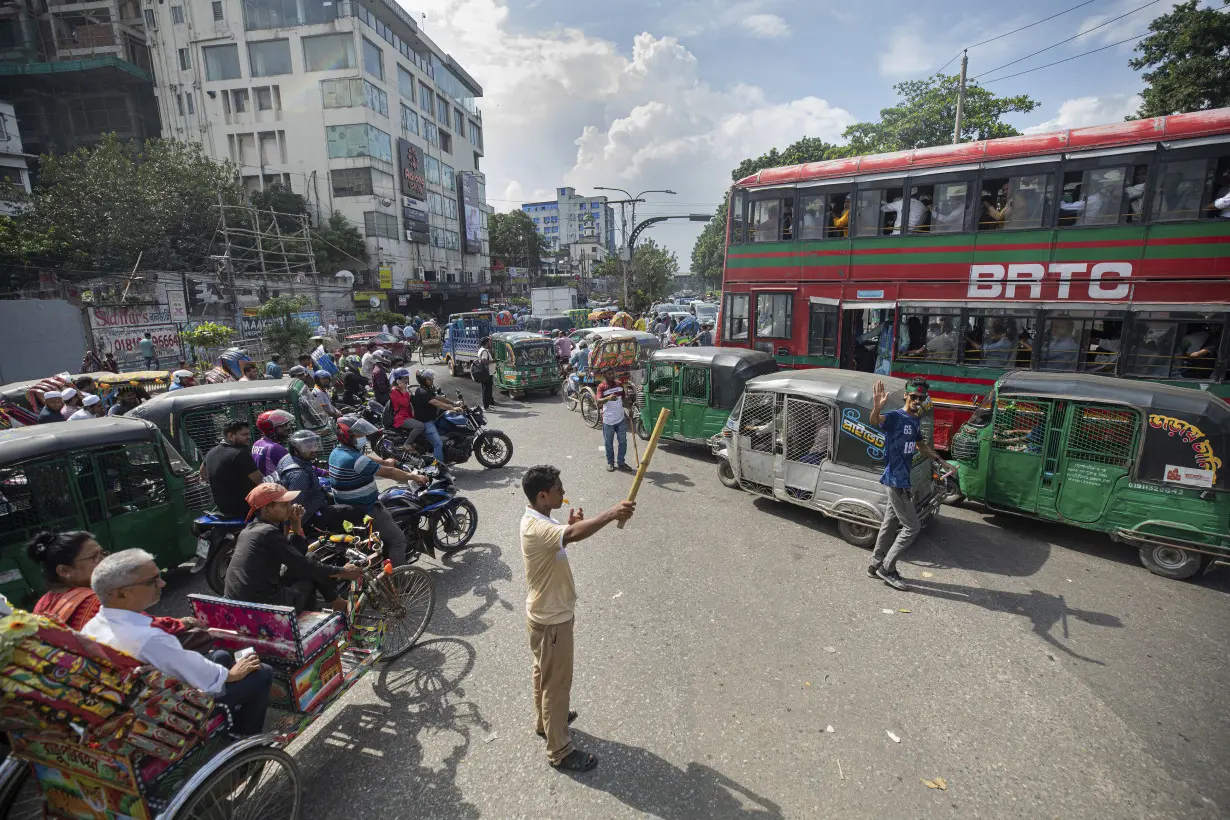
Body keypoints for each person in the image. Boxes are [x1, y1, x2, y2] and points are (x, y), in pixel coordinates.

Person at [83, 549, 274, 736]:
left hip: (135, 704)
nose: (163, 583)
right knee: (261, 672)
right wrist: (232, 675)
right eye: (153, 581)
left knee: (221, 656)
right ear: (121, 594)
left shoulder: (93, 625)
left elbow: (185, 663)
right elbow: (187, 664)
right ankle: (245, 741)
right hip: (164, 716)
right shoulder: (146, 638)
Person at [519, 465, 635, 772]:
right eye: (559, 489)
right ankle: (559, 750)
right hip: (552, 619)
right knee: (557, 685)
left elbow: (565, 537)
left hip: (543, 615)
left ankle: (545, 723)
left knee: (543, 674)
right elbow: (568, 535)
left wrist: (570, 528)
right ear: (542, 495)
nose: (564, 492)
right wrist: (611, 514)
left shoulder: (538, 517)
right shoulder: (538, 527)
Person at [866, 379, 955, 591]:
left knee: (889, 523)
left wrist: (941, 461)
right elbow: (874, 420)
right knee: (912, 527)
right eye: (913, 396)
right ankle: (887, 568)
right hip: (896, 480)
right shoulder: (896, 417)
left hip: (903, 480)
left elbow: (921, 445)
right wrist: (877, 406)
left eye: (921, 398)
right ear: (906, 395)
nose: (917, 400)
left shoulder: (914, 419)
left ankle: (875, 563)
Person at [28, 530, 195, 635]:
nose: (105, 560)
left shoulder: (45, 602)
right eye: (95, 557)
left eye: (103, 553)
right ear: (65, 571)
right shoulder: (97, 600)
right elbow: (147, 629)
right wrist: (183, 623)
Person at [225, 484, 362, 612]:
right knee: (311, 575)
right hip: (262, 606)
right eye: (285, 505)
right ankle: (314, 617)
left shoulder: (251, 530)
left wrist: (295, 522)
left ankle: (336, 602)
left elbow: (297, 554)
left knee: (311, 558)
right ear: (267, 509)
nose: (290, 508)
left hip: (247, 599)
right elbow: (302, 565)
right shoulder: (267, 532)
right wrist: (343, 571)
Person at [327, 415, 427, 566]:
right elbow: (389, 473)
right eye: (359, 435)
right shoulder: (355, 460)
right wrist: (414, 476)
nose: (363, 438)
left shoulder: (337, 453)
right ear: (347, 435)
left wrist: (384, 461)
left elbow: (364, 460)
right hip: (366, 508)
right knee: (398, 540)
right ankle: (400, 582)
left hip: (346, 506)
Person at [202, 421, 264, 519]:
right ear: (231, 436)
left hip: (223, 509)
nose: (248, 437)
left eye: (248, 434)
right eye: (244, 434)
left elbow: (203, 474)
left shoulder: (211, 452)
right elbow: (260, 481)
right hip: (246, 509)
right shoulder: (240, 454)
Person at [412, 369, 464, 466]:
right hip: (426, 422)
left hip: (433, 419)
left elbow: (438, 397)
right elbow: (437, 403)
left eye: (431, 378)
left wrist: (453, 402)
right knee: (438, 444)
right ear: (423, 380)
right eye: (429, 379)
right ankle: (438, 467)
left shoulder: (427, 390)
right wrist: (453, 408)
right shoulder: (422, 392)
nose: (431, 380)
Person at [595, 372, 631, 472]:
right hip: (608, 420)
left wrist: (629, 409)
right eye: (609, 374)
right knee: (608, 443)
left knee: (623, 442)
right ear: (604, 376)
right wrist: (608, 398)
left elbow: (623, 399)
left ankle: (621, 463)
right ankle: (610, 463)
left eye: (613, 373)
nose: (612, 375)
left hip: (620, 419)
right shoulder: (601, 387)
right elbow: (598, 402)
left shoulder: (619, 385)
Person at [251, 409, 295, 477]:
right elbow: (296, 467)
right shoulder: (274, 447)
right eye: (281, 426)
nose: (286, 428)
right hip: (275, 485)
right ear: (270, 430)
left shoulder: (257, 443)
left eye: (286, 425)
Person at [388, 367, 425, 447]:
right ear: (397, 380)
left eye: (406, 378)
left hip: (408, 415)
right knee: (420, 426)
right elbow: (404, 403)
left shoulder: (402, 389)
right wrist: (403, 389)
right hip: (401, 418)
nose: (406, 381)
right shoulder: (394, 391)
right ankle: (407, 443)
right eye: (403, 378)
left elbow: (409, 400)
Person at [474, 336, 496, 410]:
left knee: (486, 389)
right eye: (489, 342)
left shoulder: (481, 350)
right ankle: (486, 407)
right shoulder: (484, 351)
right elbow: (484, 361)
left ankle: (487, 405)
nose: (490, 343)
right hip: (487, 373)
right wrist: (493, 361)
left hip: (485, 373)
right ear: (486, 343)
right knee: (487, 390)